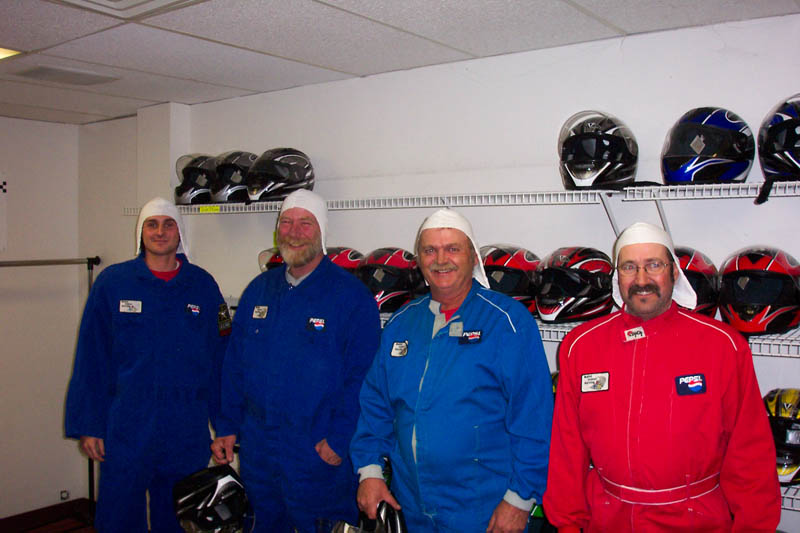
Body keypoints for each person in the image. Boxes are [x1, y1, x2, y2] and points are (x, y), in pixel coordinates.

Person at [543, 222, 781, 532]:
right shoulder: (582, 346)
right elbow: (566, 448)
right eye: (630, 267)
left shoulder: (723, 346)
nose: (642, 280)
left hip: (697, 519)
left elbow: (750, 453)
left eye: (653, 265)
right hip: (609, 518)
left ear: (673, 272)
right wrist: (568, 523)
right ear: (618, 276)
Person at [350, 208, 553, 533]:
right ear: (419, 259)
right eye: (430, 250)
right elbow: (375, 404)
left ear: (473, 256)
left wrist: (519, 500)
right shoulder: (401, 323)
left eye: (452, 249)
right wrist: (370, 472)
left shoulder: (507, 323)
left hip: (484, 511)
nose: (440, 259)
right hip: (412, 507)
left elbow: (534, 420)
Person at [212, 189, 381, 532]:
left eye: (305, 223)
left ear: (321, 231)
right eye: (286, 223)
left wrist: (340, 438)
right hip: (259, 452)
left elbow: (364, 378)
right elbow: (234, 367)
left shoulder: (350, 297)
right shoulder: (258, 290)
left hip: (318, 453)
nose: (294, 231)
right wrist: (227, 426)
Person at [65, 197, 231, 533]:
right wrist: (89, 424)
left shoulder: (203, 286)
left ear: (179, 232)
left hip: (185, 426)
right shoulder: (113, 283)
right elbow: (91, 358)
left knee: (179, 517)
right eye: (151, 225)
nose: (160, 232)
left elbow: (221, 360)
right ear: (140, 233)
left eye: (168, 224)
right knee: (118, 515)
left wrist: (225, 424)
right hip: (127, 423)